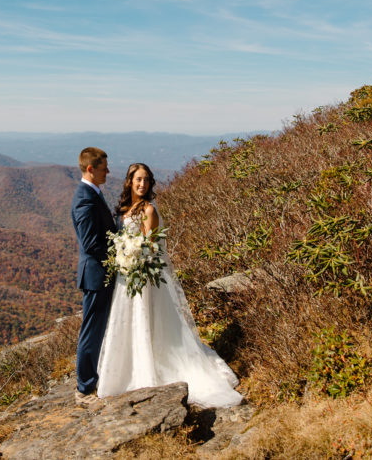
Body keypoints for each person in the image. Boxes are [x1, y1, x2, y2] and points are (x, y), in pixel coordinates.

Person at [96, 162, 243, 409]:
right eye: (138, 180)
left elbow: (152, 248)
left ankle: (146, 372)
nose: (142, 184)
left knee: (145, 322)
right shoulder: (124, 209)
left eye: (146, 180)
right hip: (125, 276)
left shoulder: (148, 211)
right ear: (129, 182)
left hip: (140, 276)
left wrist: (134, 257)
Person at [71, 147, 117, 406]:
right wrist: (118, 255)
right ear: (90, 169)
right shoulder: (84, 199)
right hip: (97, 276)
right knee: (91, 330)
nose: (108, 172)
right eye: (103, 168)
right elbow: (90, 243)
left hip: (101, 275)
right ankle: (84, 387)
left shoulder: (92, 194)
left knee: (98, 328)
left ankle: (94, 377)